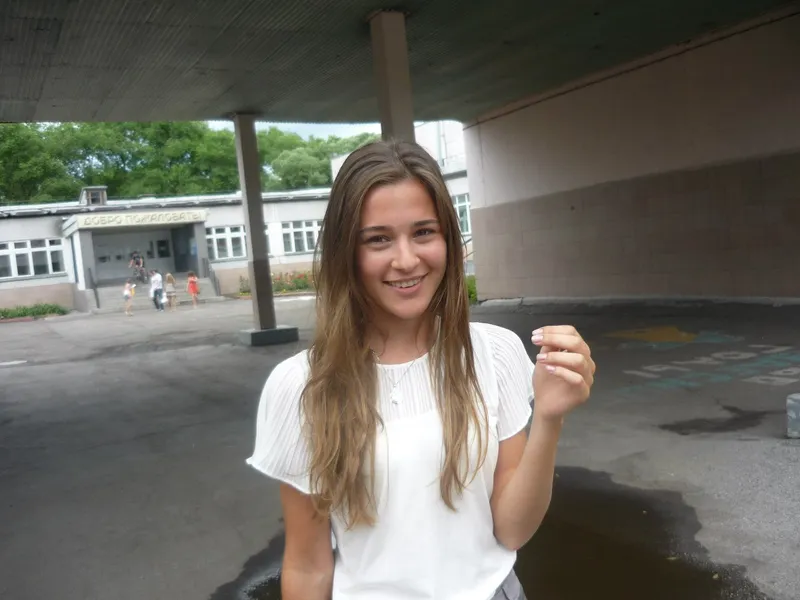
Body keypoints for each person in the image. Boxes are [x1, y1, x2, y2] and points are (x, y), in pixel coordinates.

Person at [247, 140, 596, 600]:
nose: (407, 260)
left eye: (424, 232)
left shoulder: (494, 352)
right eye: (378, 239)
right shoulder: (301, 386)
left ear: (448, 238)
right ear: (345, 252)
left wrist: (550, 418)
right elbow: (308, 567)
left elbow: (511, 530)